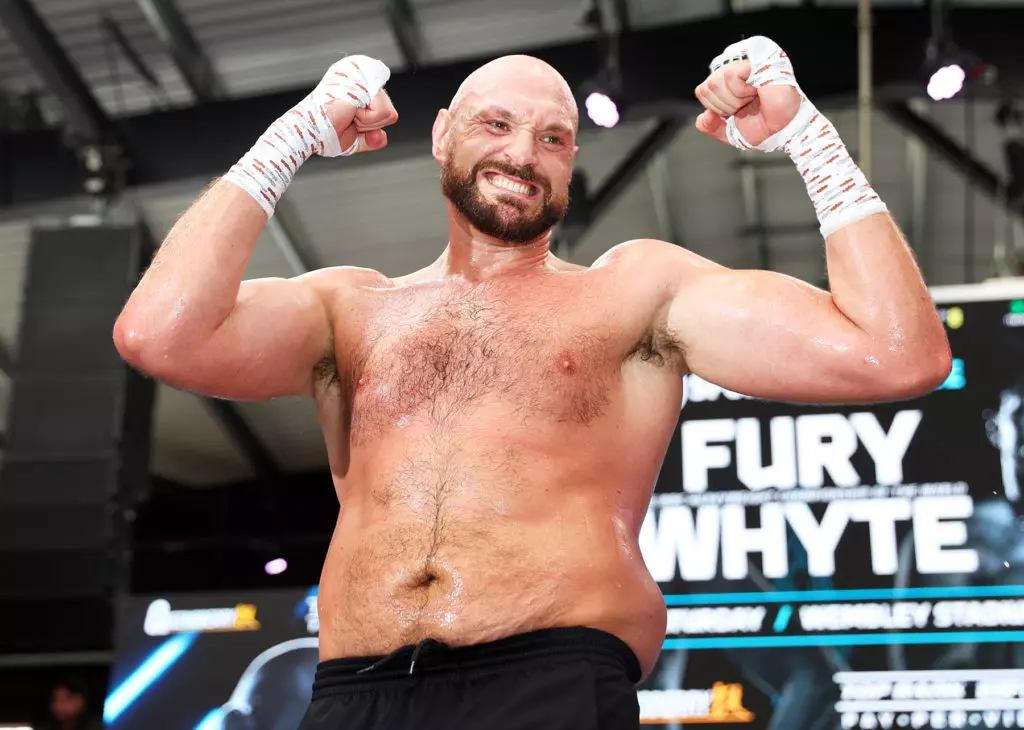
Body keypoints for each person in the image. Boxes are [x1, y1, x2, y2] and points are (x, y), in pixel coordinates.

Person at [113, 36, 951, 729]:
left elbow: (899, 351)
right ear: (442, 134)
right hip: (355, 694)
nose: (523, 154)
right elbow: (159, 333)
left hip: (547, 683)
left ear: (574, 161)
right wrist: (291, 134)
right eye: (498, 124)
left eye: (553, 138)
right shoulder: (347, 308)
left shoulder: (635, 292)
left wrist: (807, 134)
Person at [38, 677, 102, 730]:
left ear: (81, 701)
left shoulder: (99, 727)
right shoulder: (46, 727)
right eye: (54, 700)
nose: (58, 705)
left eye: (65, 699)